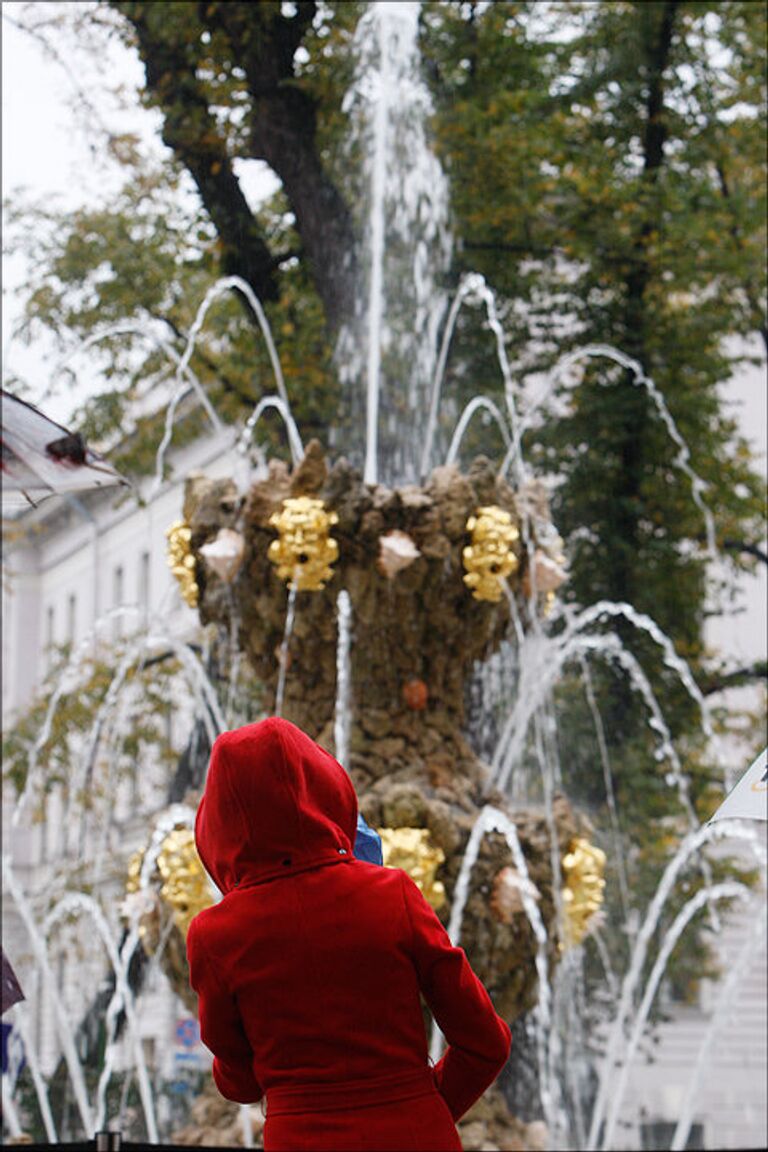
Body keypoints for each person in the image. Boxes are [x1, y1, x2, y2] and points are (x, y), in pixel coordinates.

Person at [187, 717, 511, 1151]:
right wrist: (421, 1108)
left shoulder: (214, 935)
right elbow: (486, 1041)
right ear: (323, 785)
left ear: (218, 821)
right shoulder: (391, 893)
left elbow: (240, 1082)